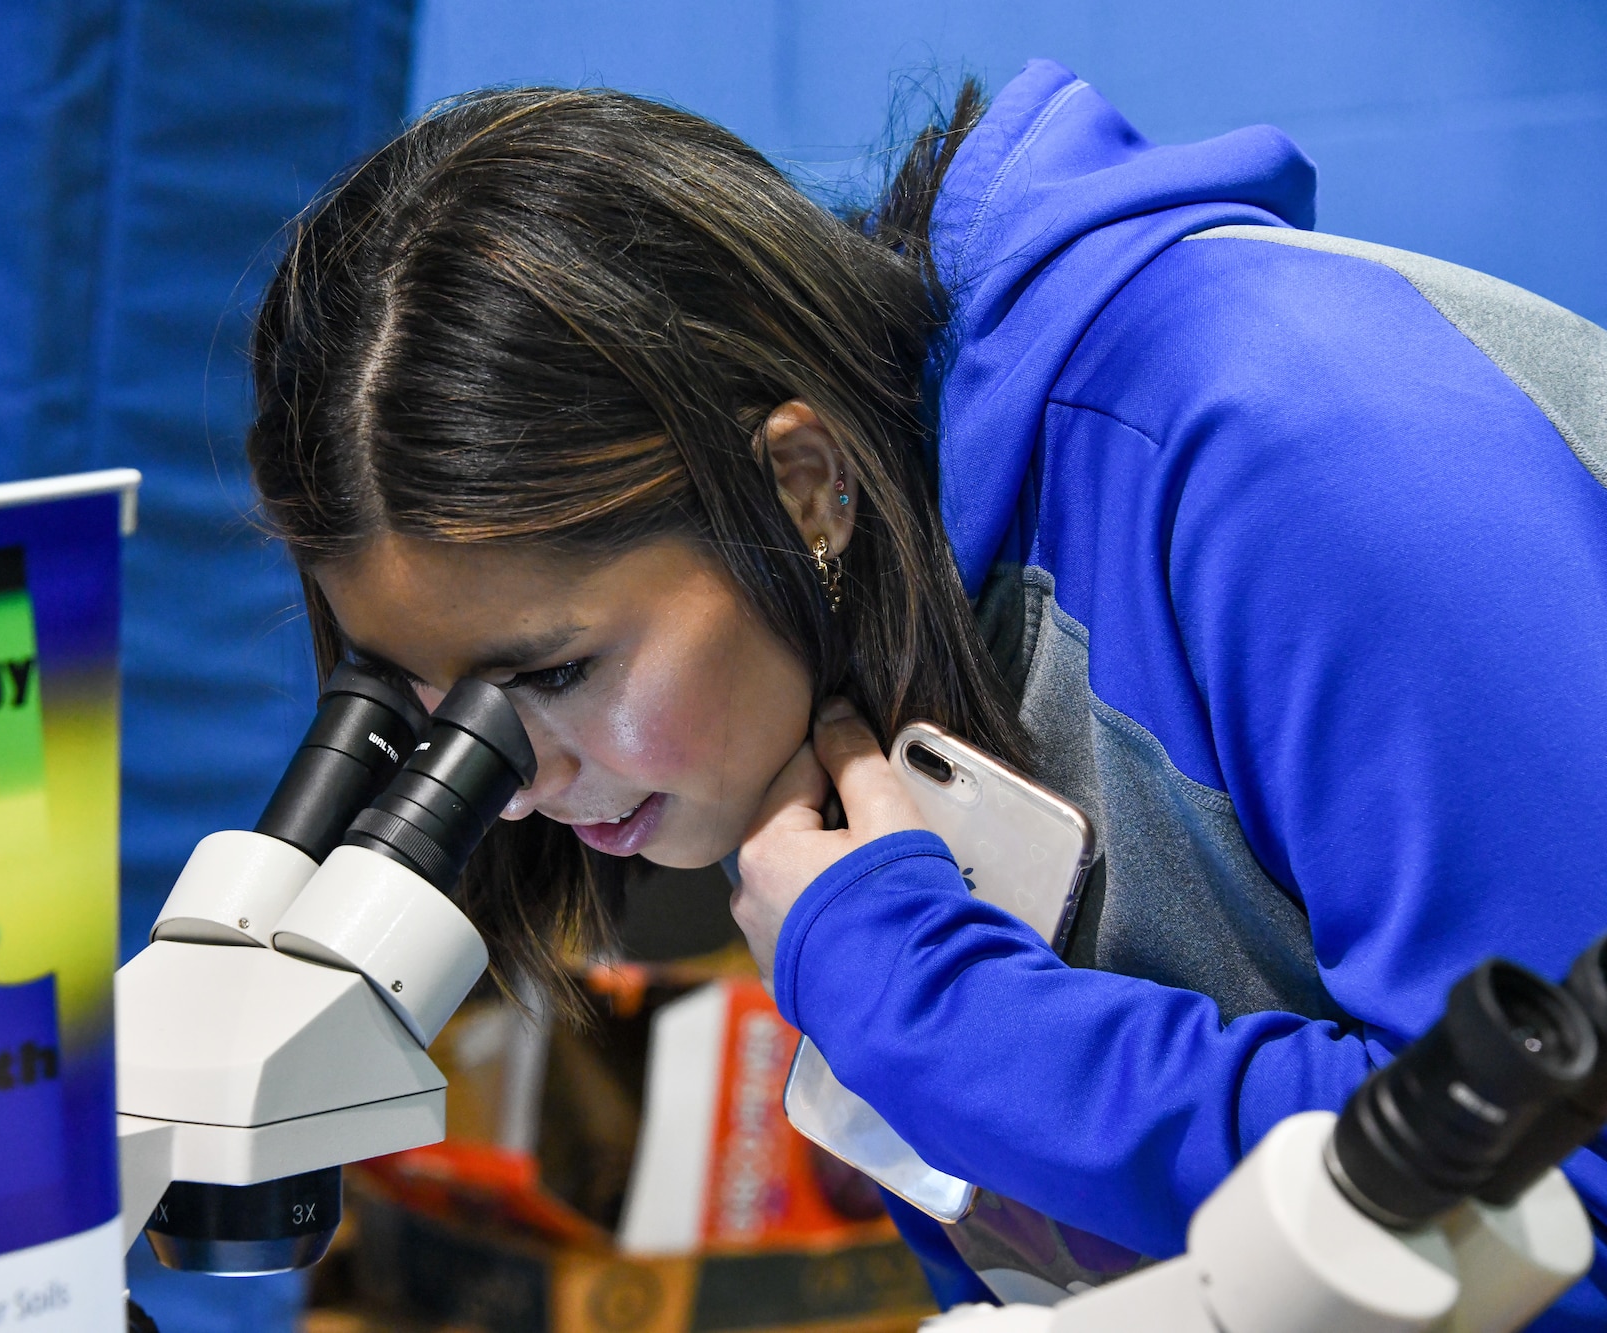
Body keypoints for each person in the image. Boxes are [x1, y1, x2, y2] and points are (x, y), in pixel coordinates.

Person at [243, 59, 1607, 1324]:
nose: (520, 777)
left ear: (802, 481)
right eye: (432, 705)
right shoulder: (831, 709)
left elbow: (1567, 1178)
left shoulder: (1289, 451)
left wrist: (938, 1015)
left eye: (551, 673)